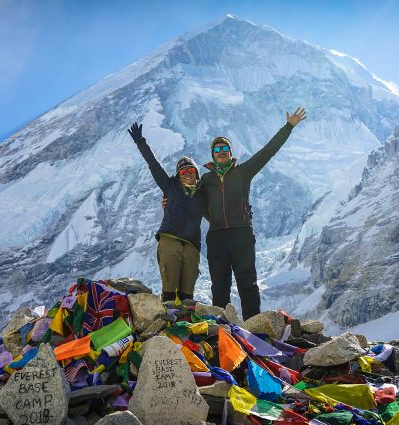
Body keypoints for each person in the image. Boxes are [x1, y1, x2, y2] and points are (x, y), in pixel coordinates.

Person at [201, 107, 307, 320]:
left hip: (241, 234)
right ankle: (221, 329)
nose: (221, 152)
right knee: (219, 286)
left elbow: (268, 152)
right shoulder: (206, 180)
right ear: (212, 155)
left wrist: (288, 127)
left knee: (247, 282)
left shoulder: (243, 172)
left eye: (224, 148)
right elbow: (194, 201)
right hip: (217, 237)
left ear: (230, 153)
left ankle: (254, 329)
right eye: (217, 149)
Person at [128, 122, 206, 302]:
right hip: (170, 240)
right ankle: (167, 326)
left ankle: (186, 326)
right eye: (183, 171)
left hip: (192, 245)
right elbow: (154, 165)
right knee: (169, 290)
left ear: (196, 173)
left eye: (190, 170)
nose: (187, 173)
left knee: (188, 293)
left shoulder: (203, 194)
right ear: (178, 175)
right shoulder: (170, 186)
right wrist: (141, 142)